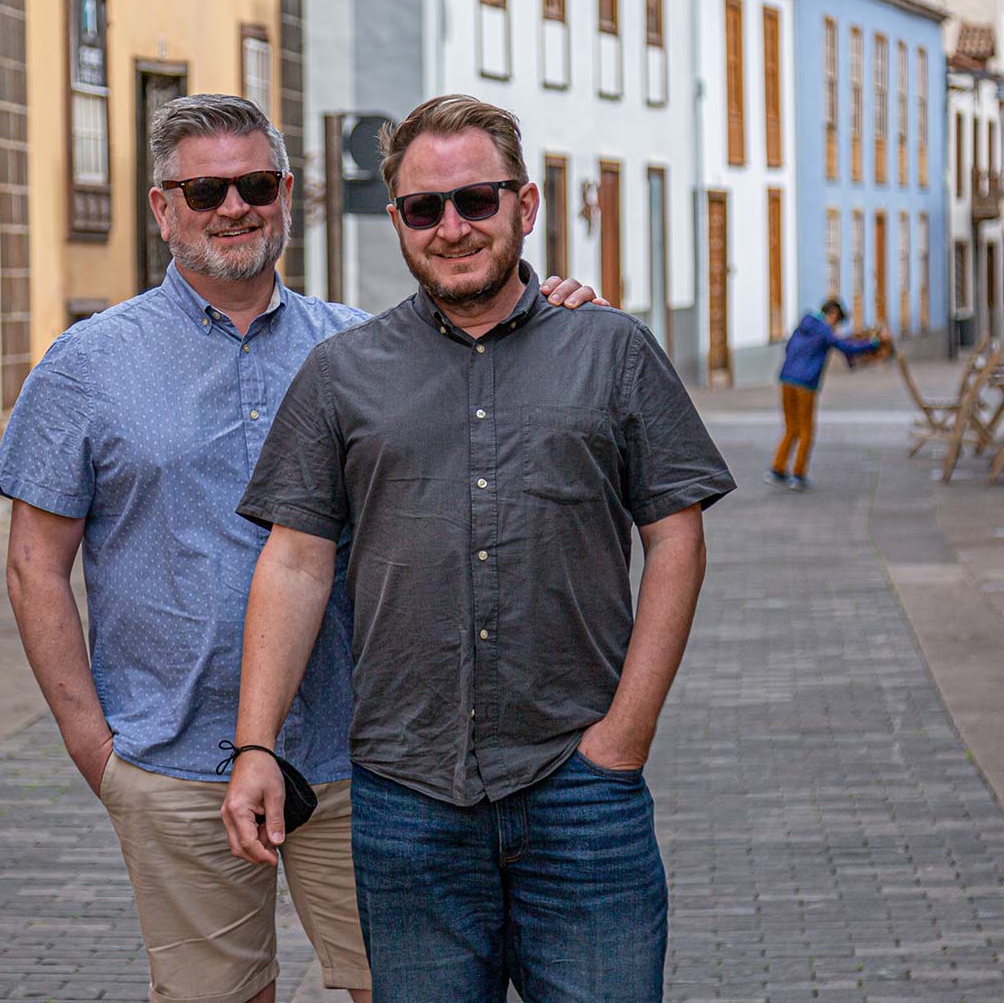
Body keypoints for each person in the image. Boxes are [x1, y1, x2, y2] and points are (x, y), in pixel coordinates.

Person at [0, 95, 598, 1003]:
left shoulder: (365, 348)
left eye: (257, 183)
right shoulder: (85, 365)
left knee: (395, 990)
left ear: (287, 196)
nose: (233, 206)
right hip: (174, 755)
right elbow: (34, 564)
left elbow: (491, 358)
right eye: (205, 189)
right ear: (164, 208)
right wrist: (95, 747)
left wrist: (555, 306)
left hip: (366, 759)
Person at [223, 95, 735, 1002]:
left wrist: (626, 735)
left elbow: (676, 538)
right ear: (398, 223)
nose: (453, 226)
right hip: (406, 797)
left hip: (581, 788)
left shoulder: (611, 350)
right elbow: (296, 562)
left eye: (477, 201)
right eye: (426, 208)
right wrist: (255, 743)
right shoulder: (343, 374)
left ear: (525, 207)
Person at [765, 298, 881, 491]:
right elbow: (846, 347)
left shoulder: (803, 324)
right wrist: (873, 344)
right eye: (837, 322)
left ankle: (777, 468)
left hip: (786, 379)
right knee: (806, 429)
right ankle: (798, 474)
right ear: (833, 313)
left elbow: (788, 348)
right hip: (805, 383)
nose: (835, 327)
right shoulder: (824, 329)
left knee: (791, 427)